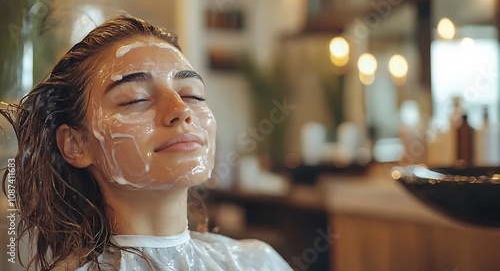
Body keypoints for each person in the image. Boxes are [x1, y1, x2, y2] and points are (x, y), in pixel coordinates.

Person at [1, 15, 292, 271]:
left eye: (193, 94)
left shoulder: (258, 262)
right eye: (135, 99)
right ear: (76, 143)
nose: (181, 111)